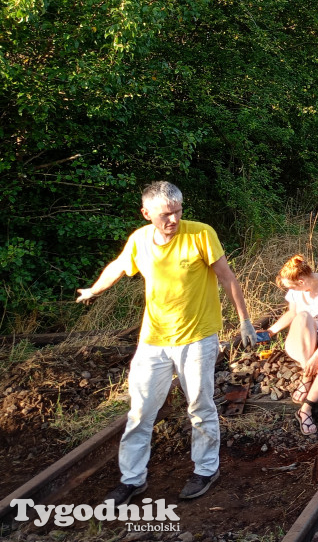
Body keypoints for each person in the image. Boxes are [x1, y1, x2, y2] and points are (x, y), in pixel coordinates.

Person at [77, 181, 257, 504]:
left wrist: (244, 320)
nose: (173, 220)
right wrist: (94, 290)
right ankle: (132, 479)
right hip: (153, 340)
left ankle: (206, 469)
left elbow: (227, 276)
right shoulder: (140, 241)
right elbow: (119, 267)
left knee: (200, 406)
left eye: (178, 211)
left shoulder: (201, 234)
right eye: (165, 215)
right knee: (140, 410)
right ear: (146, 213)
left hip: (198, 337)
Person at [265, 255, 318, 436]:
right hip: (303, 338)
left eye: (292, 287)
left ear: (302, 281)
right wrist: (271, 331)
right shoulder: (298, 291)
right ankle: (307, 375)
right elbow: (292, 314)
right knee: (303, 316)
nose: (291, 290)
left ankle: (306, 408)